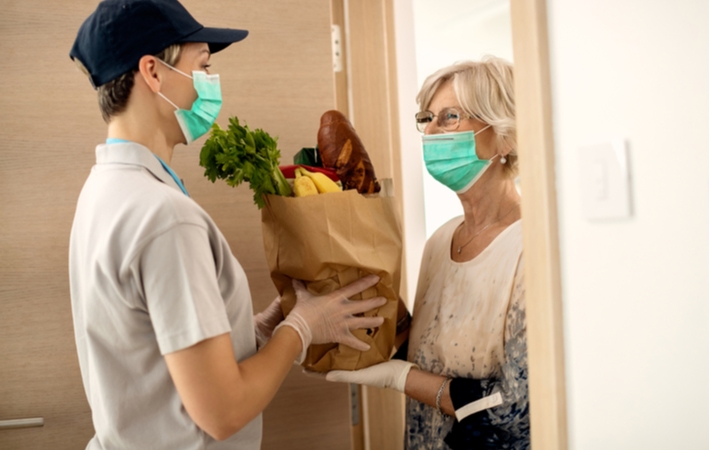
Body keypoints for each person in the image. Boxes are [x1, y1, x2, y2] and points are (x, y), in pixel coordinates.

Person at [67, 1, 386, 448]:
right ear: (153, 73)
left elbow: (155, 349)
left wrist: (260, 329)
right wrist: (302, 330)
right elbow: (223, 411)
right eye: (203, 66)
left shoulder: (104, 190)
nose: (211, 84)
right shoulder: (164, 217)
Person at [326, 56, 529, 449]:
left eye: (450, 117)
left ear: (505, 136)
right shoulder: (440, 241)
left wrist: (400, 378)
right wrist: (362, 297)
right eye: (427, 118)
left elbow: (517, 407)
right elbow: (431, 347)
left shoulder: (529, 246)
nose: (432, 132)